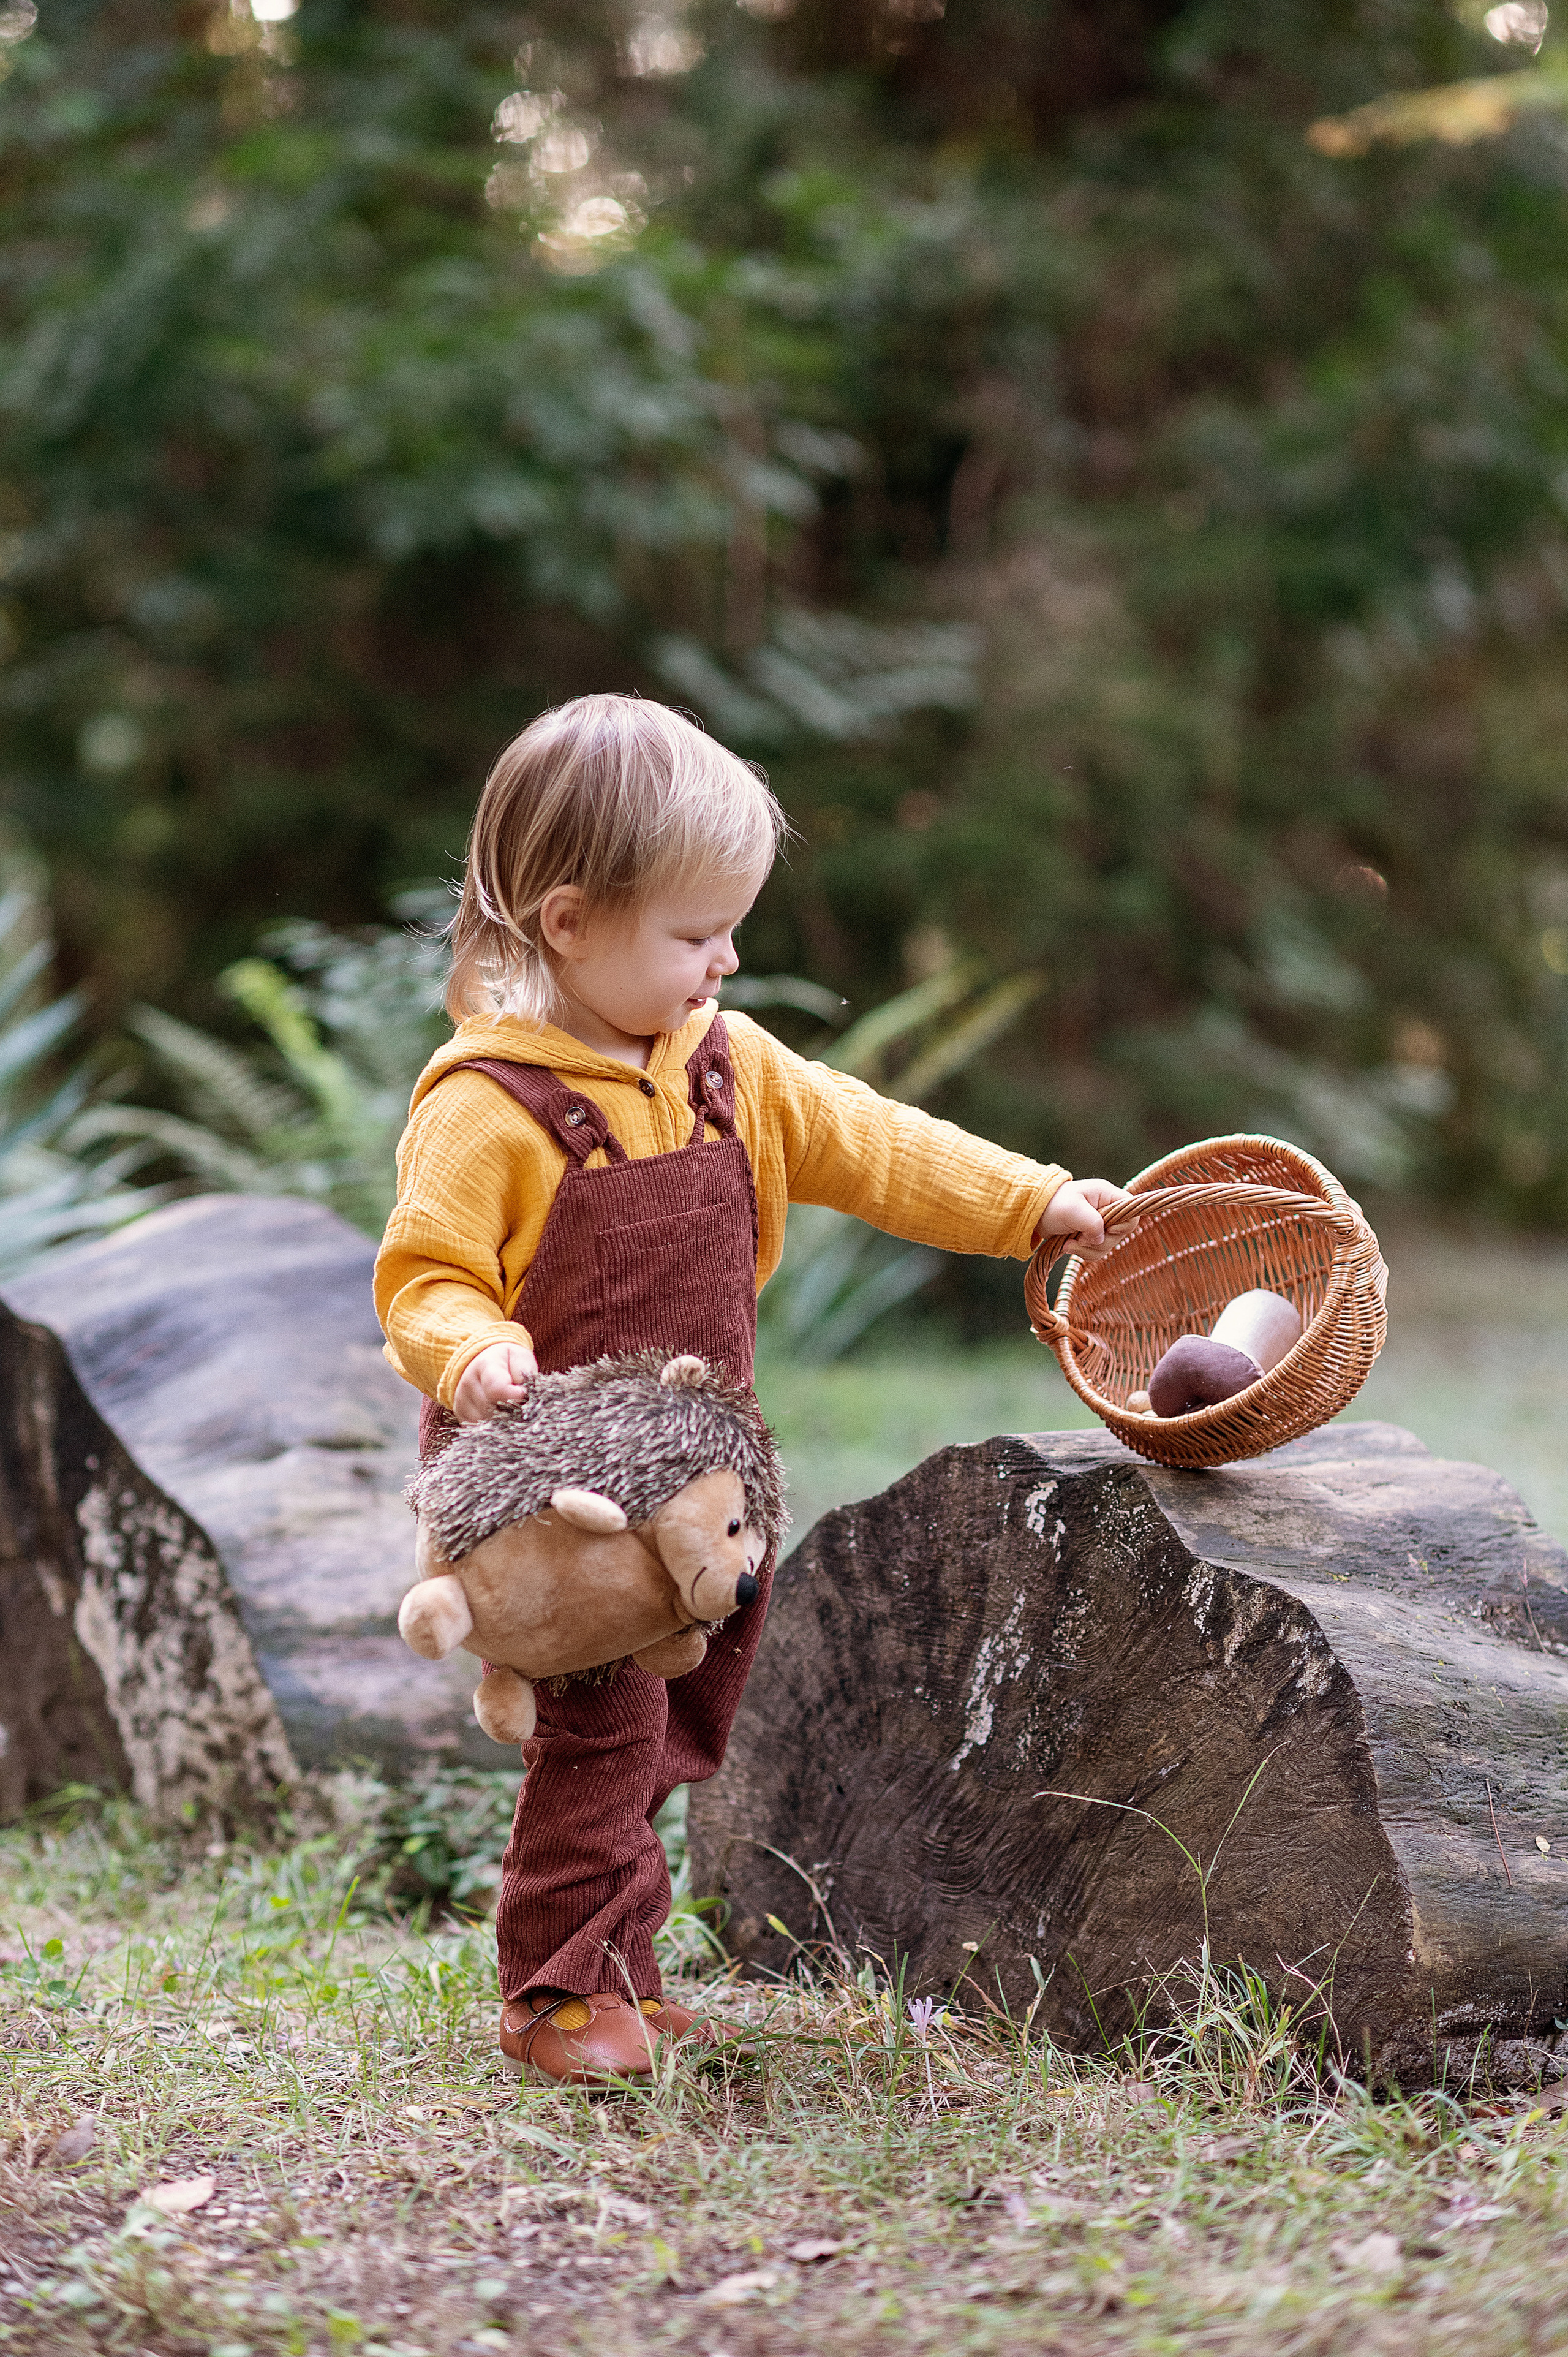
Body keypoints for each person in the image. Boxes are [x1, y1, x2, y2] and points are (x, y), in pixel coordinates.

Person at [374, 693, 1130, 2088]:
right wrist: (469, 1346)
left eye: (733, 927)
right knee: (602, 1732)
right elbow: (422, 1277)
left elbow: (879, 1146)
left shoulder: (729, 1066)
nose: (726, 957)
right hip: (565, 1502)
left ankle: (620, 1966)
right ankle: (556, 1989)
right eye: (693, 932)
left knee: (668, 1731)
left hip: (707, 1489)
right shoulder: (486, 1108)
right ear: (566, 921)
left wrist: (1029, 1200)